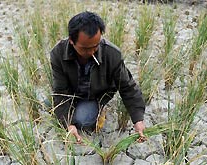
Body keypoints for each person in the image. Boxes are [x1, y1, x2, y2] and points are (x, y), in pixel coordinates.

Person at [50, 11, 146, 144]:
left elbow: (127, 87)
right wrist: (68, 125)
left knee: (83, 120)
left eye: (95, 47)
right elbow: (60, 91)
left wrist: (138, 119)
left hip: (95, 95)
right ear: (71, 41)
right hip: (72, 93)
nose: (90, 52)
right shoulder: (58, 53)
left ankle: (98, 109)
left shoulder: (112, 54)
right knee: (51, 105)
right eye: (84, 48)